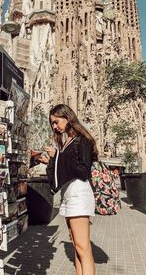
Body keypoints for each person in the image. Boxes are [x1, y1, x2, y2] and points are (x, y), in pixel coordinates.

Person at [39, 104, 97, 275]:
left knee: (83, 248)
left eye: (56, 122)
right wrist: (51, 161)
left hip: (79, 194)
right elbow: (65, 169)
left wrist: (58, 157)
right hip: (69, 195)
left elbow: (83, 171)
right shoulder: (68, 142)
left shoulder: (82, 139)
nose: (55, 127)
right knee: (76, 247)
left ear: (67, 117)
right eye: (52, 124)